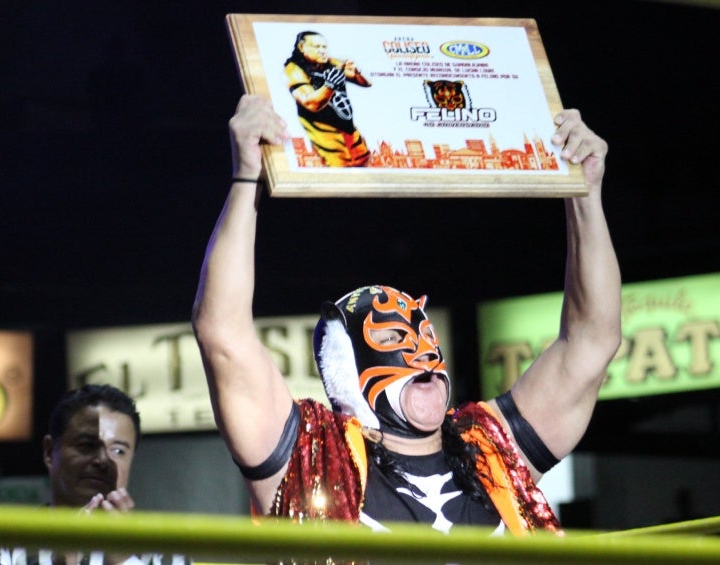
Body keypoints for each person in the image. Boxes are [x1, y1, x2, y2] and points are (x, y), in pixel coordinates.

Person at [191, 95, 620, 535]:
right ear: (348, 371)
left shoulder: (492, 450)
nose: (422, 355)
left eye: (425, 335)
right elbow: (222, 334)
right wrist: (246, 179)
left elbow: (593, 341)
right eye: (394, 340)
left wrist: (585, 191)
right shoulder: (310, 458)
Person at [0, 384, 188, 565]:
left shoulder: (165, 547)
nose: (103, 459)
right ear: (49, 453)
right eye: (86, 445)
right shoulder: (0, 544)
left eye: (118, 450)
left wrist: (123, 560)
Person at [284, 30, 372, 167]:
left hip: (347, 126)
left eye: (324, 47)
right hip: (323, 129)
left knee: (364, 159)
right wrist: (330, 85)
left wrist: (357, 73)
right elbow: (311, 103)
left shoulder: (331, 62)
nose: (322, 51)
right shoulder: (294, 69)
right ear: (301, 47)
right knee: (340, 167)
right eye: (317, 47)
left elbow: (366, 83)